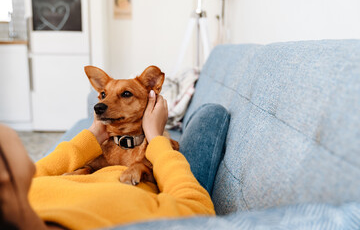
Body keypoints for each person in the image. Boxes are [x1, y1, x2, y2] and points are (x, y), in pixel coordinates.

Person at [0, 91, 215, 230]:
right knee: (212, 116)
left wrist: (93, 135)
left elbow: (37, 170)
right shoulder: (114, 218)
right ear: (6, 178)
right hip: (148, 175)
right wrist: (156, 138)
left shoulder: (24, 192)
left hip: (86, 171)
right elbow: (198, 212)